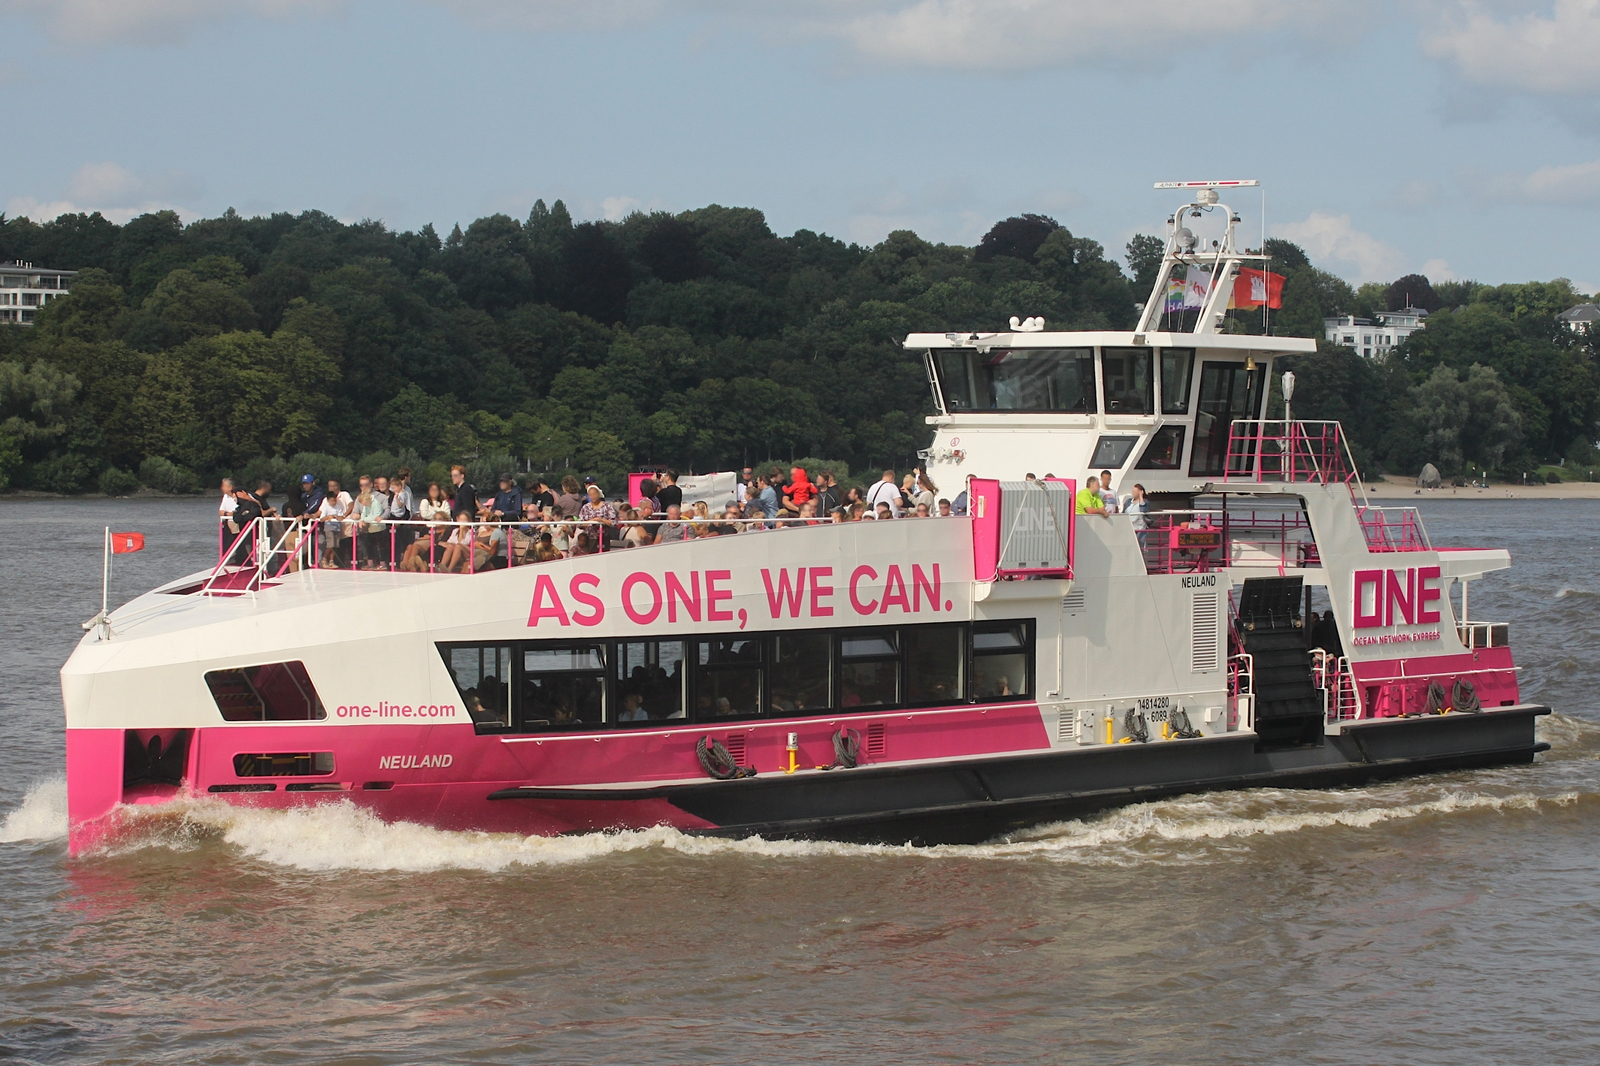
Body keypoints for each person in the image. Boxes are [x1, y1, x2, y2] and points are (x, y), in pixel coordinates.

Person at [317, 478, 354, 567]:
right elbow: (320, 514)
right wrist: (312, 516)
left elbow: (351, 505)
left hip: (344, 527)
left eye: (334, 486)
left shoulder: (344, 495)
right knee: (332, 545)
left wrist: (343, 516)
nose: (332, 488)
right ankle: (325, 559)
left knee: (338, 546)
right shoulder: (326, 500)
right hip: (330, 528)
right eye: (330, 486)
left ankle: (334, 562)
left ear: (338, 486)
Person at [1123, 482, 1150, 549]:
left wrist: (1141, 497)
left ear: (1140, 492)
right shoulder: (1129, 501)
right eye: (1133, 491)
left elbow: (1143, 510)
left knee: (1140, 547)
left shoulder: (1145, 502)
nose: (1133, 493)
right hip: (1130, 527)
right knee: (1129, 547)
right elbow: (1124, 512)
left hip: (1140, 528)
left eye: (1135, 491)